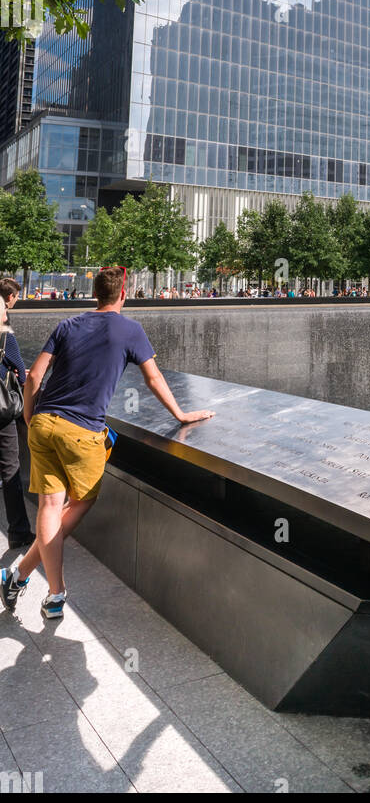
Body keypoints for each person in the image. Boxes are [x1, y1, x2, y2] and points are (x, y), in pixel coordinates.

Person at [0, 266, 214, 621]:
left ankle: (46, 590)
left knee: (50, 507)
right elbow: (154, 377)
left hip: (43, 425)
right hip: (82, 431)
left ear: (94, 294)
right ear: (123, 296)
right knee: (80, 502)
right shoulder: (130, 330)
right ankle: (24, 576)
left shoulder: (68, 325)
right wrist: (181, 414)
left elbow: (34, 375)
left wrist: (30, 418)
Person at [0, 277, 35, 550]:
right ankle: (19, 532)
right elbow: (22, 371)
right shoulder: (4, 336)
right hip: (1, 413)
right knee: (10, 470)